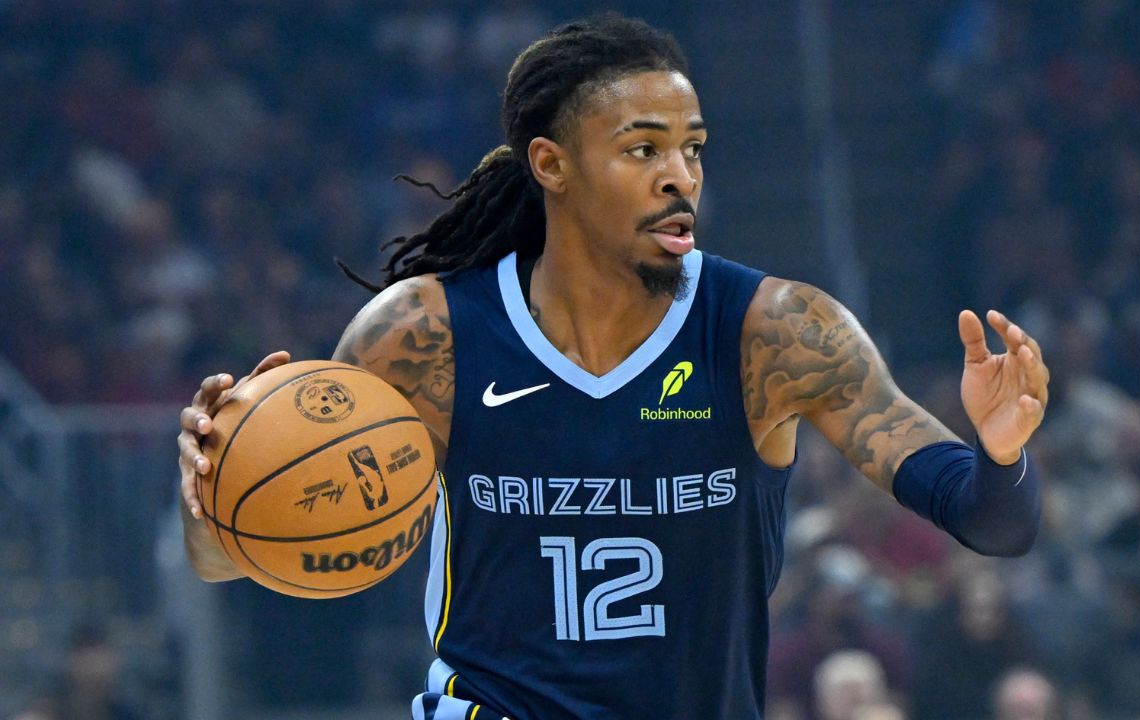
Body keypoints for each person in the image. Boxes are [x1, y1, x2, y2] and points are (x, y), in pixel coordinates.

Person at [175, 15, 1048, 720]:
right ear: (551, 164)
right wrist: (217, 493)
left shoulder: (774, 333)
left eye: (693, 149)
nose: (681, 178)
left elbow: (994, 525)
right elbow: (244, 554)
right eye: (643, 150)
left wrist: (1002, 454)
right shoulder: (425, 334)